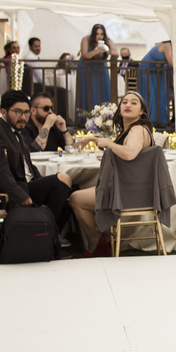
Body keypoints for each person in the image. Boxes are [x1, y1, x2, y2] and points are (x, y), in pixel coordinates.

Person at [67, 91, 154, 257]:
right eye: (125, 102)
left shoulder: (136, 130)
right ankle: (108, 241)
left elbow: (129, 153)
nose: (128, 105)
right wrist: (92, 140)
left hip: (130, 194)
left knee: (76, 199)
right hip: (133, 190)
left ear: (142, 111)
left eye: (134, 103)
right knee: (88, 193)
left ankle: (96, 244)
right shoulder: (133, 130)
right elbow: (120, 150)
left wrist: (108, 143)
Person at [0, 89, 72, 228]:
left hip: (26, 186)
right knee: (63, 179)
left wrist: (42, 183)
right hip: (9, 195)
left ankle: (47, 235)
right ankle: (46, 233)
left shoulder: (16, 133)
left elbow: (29, 166)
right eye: (18, 112)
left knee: (71, 195)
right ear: (3, 112)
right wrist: (21, 196)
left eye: (26, 112)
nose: (23, 117)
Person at [78, 23, 116, 111]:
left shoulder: (108, 40)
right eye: (97, 34)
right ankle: (86, 117)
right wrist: (94, 52)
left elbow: (116, 53)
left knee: (103, 93)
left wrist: (108, 50)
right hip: (87, 70)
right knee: (88, 94)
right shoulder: (86, 39)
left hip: (101, 70)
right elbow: (84, 55)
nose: (99, 36)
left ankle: (104, 117)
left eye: (101, 34)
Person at [138, 39, 176, 125]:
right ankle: (151, 120)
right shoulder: (167, 45)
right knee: (151, 95)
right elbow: (172, 62)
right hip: (147, 70)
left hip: (159, 70)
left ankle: (162, 120)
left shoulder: (171, 48)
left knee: (161, 95)